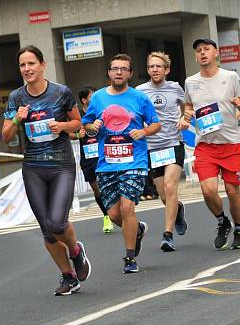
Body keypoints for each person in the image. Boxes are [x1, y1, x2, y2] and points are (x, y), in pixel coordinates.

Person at [2, 46, 90, 294]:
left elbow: (77, 124)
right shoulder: (17, 98)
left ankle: (75, 251)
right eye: (22, 65)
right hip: (33, 168)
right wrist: (18, 119)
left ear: (42, 65)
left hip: (61, 164)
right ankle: (68, 276)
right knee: (46, 230)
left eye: (31, 63)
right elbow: (6, 136)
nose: (27, 69)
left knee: (56, 222)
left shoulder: (61, 92)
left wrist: (61, 125)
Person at [83, 54, 160, 273]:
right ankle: (137, 230)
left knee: (127, 208)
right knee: (115, 214)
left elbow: (156, 124)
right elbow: (86, 125)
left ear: (130, 73)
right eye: (115, 68)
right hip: (106, 163)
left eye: (123, 69)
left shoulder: (139, 98)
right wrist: (92, 127)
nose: (119, 72)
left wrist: (144, 131)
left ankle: (129, 258)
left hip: (134, 161)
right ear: (108, 72)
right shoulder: (97, 98)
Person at [178, 38, 240, 250]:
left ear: (216, 53)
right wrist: (186, 116)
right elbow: (189, 105)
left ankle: (239, 229)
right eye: (198, 50)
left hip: (230, 142)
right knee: (208, 190)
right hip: (205, 145)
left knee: (232, 191)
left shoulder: (230, 77)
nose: (202, 53)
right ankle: (222, 221)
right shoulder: (191, 81)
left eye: (206, 49)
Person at [136, 51, 188, 251]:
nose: (154, 70)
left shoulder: (175, 88)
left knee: (170, 187)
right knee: (165, 196)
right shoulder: (140, 90)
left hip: (173, 142)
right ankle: (179, 209)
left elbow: (188, 108)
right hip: (152, 147)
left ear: (166, 69)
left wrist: (185, 118)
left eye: (158, 66)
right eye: (151, 66)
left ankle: (167, 236)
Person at [76, 87, 114, 235]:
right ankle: (106, 215)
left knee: (108, 185)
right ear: (84, 100)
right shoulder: (78, 116)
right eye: (92, 96)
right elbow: (70, 134)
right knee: (96, 188)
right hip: (87, 158)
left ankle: (115, 212)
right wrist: (78, 135)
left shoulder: (100, 112)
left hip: (102, 155)